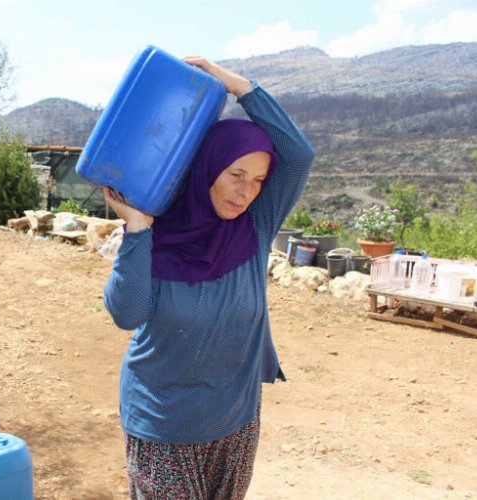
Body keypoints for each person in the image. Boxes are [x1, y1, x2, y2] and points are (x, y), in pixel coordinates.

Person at [102, 56, 315, 499]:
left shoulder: (254, 229)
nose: (246, 192)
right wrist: (137, 228)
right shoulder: (157, 236)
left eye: (258, 180)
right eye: (236, 174)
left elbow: (299, 155)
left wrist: (237, 86)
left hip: (235, 422)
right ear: (206, 167)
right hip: (163, 426)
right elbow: (127, 313)